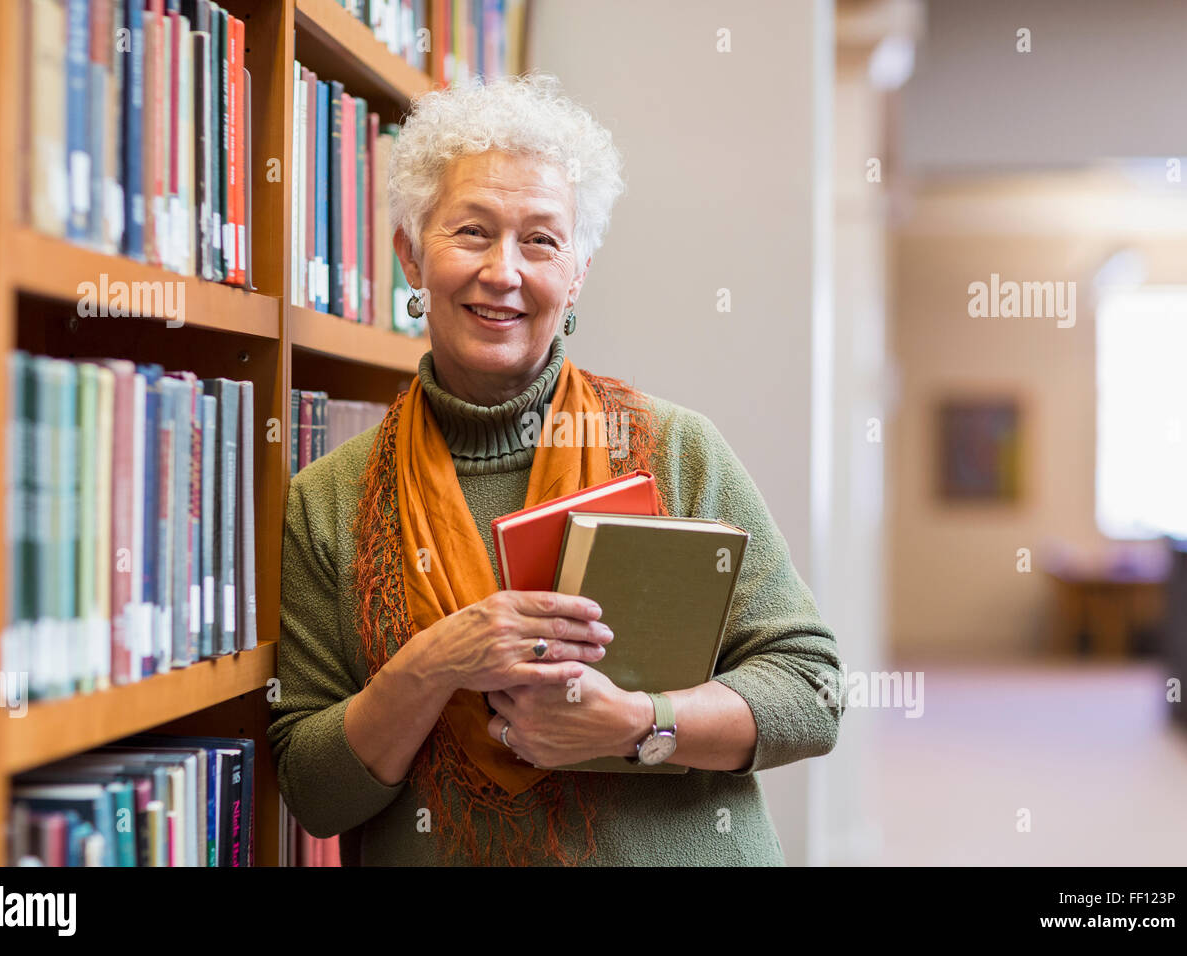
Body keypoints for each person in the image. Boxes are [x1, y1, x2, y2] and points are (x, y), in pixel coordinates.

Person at [268, 72, 841, 866]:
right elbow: (314, 790)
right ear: (410, 255)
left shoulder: (677, 448)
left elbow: (814, 692)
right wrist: (431, 664)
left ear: (575, 274)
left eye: (540, 240)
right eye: (471, 231)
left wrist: (642, 723)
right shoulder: (328, 499)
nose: (503, 271)